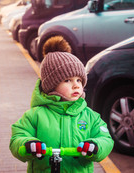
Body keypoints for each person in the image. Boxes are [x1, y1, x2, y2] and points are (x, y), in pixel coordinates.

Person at [9, 36, 114, 172]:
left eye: (79, 80)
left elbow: (105, 138)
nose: (76, 85)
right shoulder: (35, 115)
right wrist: (28, 144)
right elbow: (18, 136)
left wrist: (95, 146)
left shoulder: (90, 116)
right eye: (67, 80)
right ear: (51, 86)